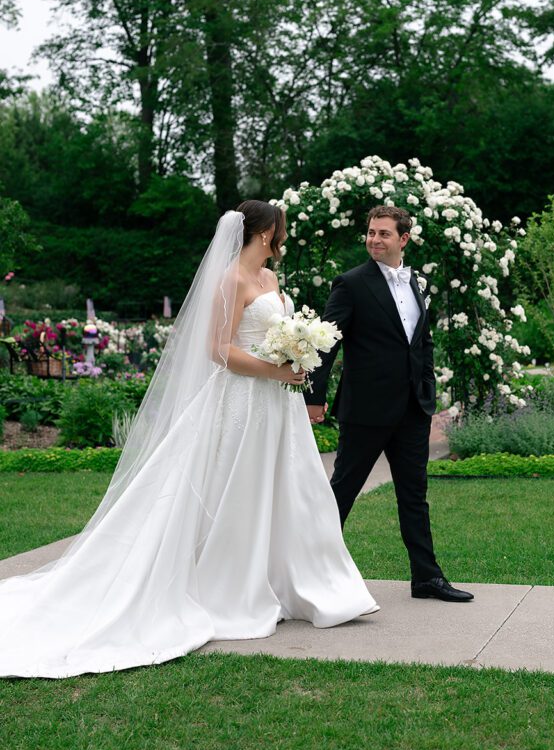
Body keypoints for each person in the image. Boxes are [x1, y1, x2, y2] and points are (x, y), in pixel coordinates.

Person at [0, 202, 378, 679]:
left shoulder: (270, 280)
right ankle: (228, 585)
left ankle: (294, 581)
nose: (283, 238)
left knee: (290, 489)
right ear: (264, 233)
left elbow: (273, 335)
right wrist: (277, 369)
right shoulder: (231, 280)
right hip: (242, 401)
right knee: (237, 489)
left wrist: (296, 361)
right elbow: (218, 350)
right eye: (279, 231)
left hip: (278, 405)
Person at [305, 205, 474, 603]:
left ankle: (427, 579)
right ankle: (310, 575)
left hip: (413, 409)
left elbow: (421, 340)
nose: (375, 239)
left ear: (404, 239)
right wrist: (314, 396)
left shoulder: (417, 282)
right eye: (370, 232)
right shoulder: (350, 284)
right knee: (342, 491)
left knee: (414, 496)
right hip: (366, 409)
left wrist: (427, 385)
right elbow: (327, 343)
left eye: (384, 233)